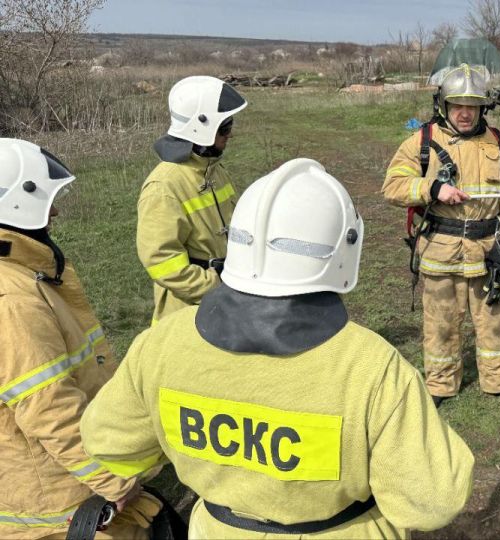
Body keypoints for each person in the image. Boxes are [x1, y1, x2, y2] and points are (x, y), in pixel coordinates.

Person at [81, 158, 475, 538]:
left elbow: (110, 446)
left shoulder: (161, 344)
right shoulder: (372, 366)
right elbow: (432, 502)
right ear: (345, 250)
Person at [382, 63, 500, 406]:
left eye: (472, 106)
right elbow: (392, 186)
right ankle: (440, 385)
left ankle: (499, 379)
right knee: (441, 322)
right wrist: (432, 188)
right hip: (441, 250)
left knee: (495, 317)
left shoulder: (498, 142)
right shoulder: (422, 142)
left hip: (487, 250)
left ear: (483, 108)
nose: (465, 114)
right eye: (457, 106)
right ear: (444, 105)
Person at [0, 138, 154, 539]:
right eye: (47, 201)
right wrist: (113, 481)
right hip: (56, 500)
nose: (54, 211)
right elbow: (46, 407)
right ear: (17, 204)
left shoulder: (21, 275)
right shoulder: (13, 300)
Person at [137, 75, 247, 325]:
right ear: (202, 127)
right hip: (189, 311)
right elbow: (161, 260)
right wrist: (215, 285)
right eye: (225, 127)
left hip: (228, 298)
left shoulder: (213, 170)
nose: (230, 134)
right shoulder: (164, 186)